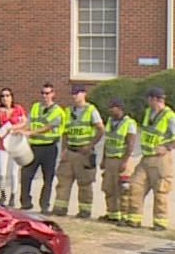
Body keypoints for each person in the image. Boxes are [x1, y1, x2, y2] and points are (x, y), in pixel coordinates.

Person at [126, 86, 175, 231]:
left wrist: (168, 147)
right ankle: (134, 219)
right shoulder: (148, 113)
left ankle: (160, 223)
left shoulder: (169, 116)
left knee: (160, 191)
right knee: (135, 186)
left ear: (154, 99)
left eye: (149, 99)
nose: (147, 102)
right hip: (146, 158)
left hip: (161, 160)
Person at [51, 84, 104, 218]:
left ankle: (85, 211)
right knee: (63, 181)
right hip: (70, 151)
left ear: (84, 94)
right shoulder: (68, 111)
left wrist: (90, 145)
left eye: (77, 93)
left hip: (84, 153)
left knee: (85, 183)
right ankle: (60, 209)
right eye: (73, 94)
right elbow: (65, 132)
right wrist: (63, 150)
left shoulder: (91, 110)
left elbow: (100, 129)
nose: (75, 96)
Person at [19, 82, 66, 211]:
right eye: (43, 93)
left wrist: (30, 132)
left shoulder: (58, 111)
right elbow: (28, 123)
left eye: (47, 93)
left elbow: (48, 127)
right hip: (34, 147)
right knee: (25, 175)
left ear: (53, 94)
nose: (45, 96)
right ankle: (26, 203)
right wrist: (17, 129)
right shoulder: (35, 107)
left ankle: (44, 204)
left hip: (49, 148)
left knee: (48, 178)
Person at [100, 97, 140, 225]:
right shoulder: (110, 121)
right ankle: (112, 214)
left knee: (124, 190)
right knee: (109, 188)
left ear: (120, 108)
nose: (111, 110)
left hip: (122, 160)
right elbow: (107, 142)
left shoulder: (129, 123)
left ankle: (124, 216)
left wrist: (125, 161)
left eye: (113, 107)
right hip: (110, 160)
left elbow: (130, 143)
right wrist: (103, 159)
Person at [0, 87, 26, 204]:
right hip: (3, 144)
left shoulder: (18, 109)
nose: (5, 98)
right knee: (2, 173)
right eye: (2, 96)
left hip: (15, 143)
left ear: (12, 97)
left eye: (7, 95)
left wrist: (14, 127)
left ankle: (13, 195)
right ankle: (3, 195)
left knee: (14, 172)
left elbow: (24, 122)